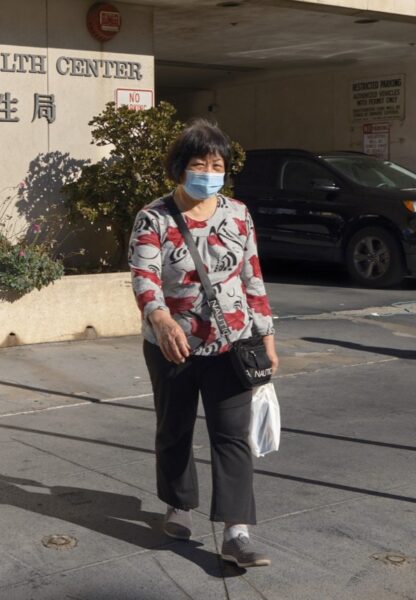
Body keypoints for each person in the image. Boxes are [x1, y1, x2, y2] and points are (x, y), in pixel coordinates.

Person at [128, 119, 279, 568]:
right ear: (180, 168)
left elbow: (252, 276)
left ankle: (237, 531)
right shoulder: (153, 217)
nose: (208, 171)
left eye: (217, 164)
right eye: (199, 163)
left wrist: (267, 335)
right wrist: (159, 318)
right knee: (174, 428)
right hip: (172, 343)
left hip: (232, 341)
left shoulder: (238, 214)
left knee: (231, 436)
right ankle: (178, 505)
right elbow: (145, 276)